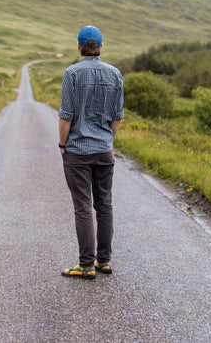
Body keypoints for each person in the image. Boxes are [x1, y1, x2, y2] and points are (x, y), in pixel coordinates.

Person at [58, 25, 124, 280]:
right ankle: (104, 261)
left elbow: (66, 117)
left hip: (77, 151)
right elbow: (117, 118)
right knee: (104, 205)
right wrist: (105, 140)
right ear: (101, 46)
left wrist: (63, 145)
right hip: (103, 149)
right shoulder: (115, 74)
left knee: (83, 206)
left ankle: (86, 265)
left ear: (78, 46)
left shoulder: (71, 73)